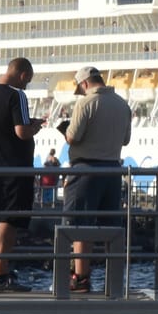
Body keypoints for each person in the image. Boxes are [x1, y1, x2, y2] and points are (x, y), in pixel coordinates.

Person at [0, 57, 43, 293]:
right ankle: (0, 275)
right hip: (15, 169)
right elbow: (21, 131)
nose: (26, 86)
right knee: (10, 219)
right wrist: (35, 126)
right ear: (23, 74)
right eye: (28, 81)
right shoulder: (17, 95)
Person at [63, 65, 131, 293]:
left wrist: (64, 131)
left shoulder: (86, 103)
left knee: (80, 225)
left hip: (86, 169)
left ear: (84, 84)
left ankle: (81, 278)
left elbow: (72, 137)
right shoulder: (123, 104)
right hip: (113, 170)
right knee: (110, 228)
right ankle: (113, 283)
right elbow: (126, 141)